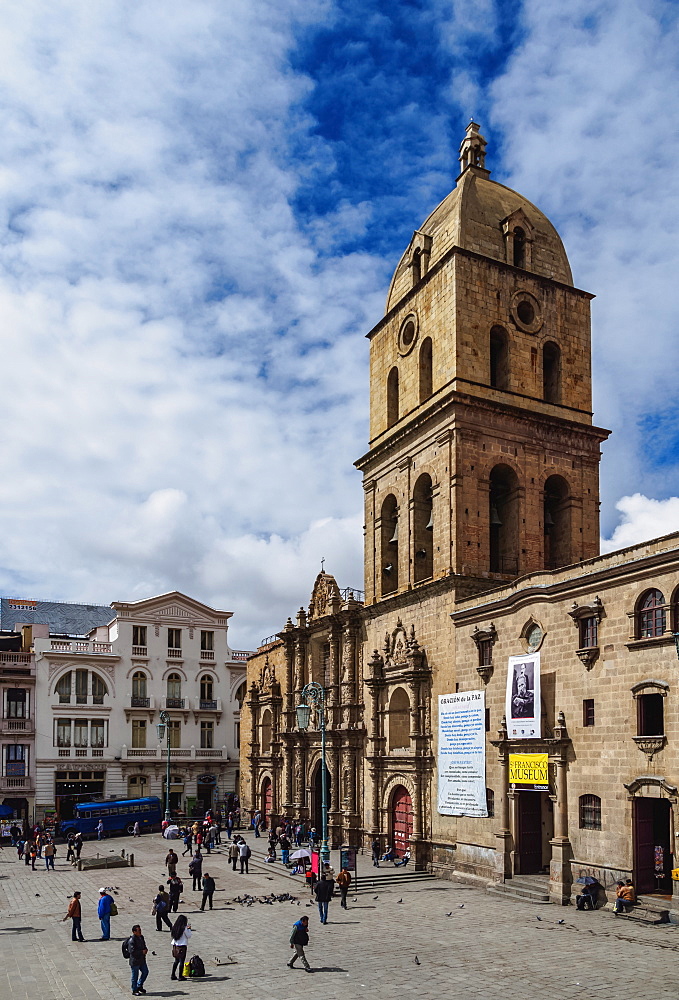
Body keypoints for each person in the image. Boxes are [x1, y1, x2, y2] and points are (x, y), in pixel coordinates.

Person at [126, 923, 149, 996]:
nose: (140, 932)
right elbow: (132, 952)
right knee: (134, 976)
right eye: (138, 931)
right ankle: (134, 989)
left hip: (142, 959)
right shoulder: (132, 940)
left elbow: (143, 945)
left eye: (140, 930)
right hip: (135, 961)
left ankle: (140, 985)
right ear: (134, 932)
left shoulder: (141, 937)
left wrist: (145, 949)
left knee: (145, 972)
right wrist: (141, 952)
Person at [170, 914, 192, 981]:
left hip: (175, 946)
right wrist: (189, 929)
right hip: (182, 946)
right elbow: (189, 936)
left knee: (176, 961)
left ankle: (173, 974)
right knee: (181, 961)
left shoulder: (175, 927)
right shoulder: (184, 928)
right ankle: (180, 976)